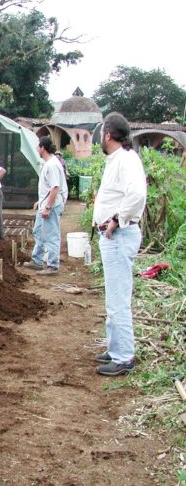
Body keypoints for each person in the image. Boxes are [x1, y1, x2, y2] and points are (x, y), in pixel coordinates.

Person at [93, 113, 147, 377]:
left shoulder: (127, 160)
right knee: (113, 297)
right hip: (113, 236)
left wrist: (117, 219)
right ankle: (115, 348)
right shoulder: (118, 159)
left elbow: (137, 194)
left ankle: (123, 357)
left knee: (118, 299)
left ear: (107, 135)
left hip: (119, 235)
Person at [23, 136, 68, 275]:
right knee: (38, 231)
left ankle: (53, 266)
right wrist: (41, 202)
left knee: (52, 235)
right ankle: (37, 260)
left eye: (38, 147)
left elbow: (55, 187)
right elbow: (49, 188)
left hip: (52, 206)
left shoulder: (52, 165)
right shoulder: (48, 163)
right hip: (46, 203)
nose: (37, 149)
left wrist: (48, 207)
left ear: (42, 148)